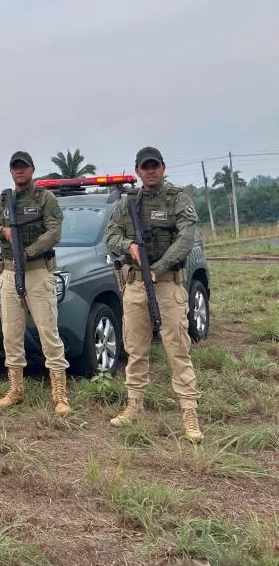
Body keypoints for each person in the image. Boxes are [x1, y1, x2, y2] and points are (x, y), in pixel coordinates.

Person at [104, 147, 204, 441]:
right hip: (135, 284)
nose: (150, 171)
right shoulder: (128, 204)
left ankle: (189, 412)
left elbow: (187, 237)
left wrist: (157, 268)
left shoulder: (177, 197)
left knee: (177, 348)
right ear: (137, 171)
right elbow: (111, 235)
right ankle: (134, 405)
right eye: (144, 167)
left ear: (162, 167)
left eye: (154, 166)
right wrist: (129, 247)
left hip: (168, 283)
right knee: (135, 349)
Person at [0, 151, 71, 415]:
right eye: (15, 167)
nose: (19, 171)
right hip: (8, 274)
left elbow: (54, 232)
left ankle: (60, 394)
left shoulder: (45, 198)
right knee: (10, 334)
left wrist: (28, 252)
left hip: (37, 271)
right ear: (10, 171)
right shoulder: (1, 201)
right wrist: (3, 231)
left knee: (48, 333)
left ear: (32, 169)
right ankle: (16, 390)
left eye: (24, 167)